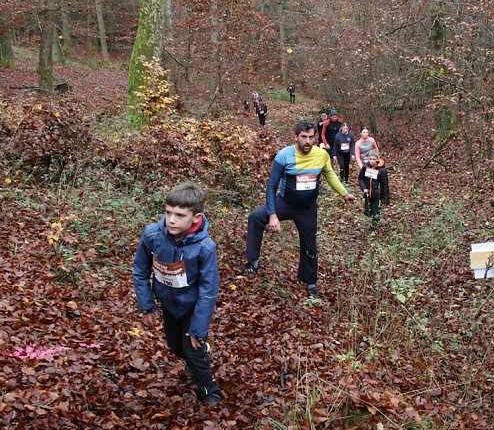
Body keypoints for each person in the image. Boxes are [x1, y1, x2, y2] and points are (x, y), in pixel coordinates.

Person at [236, 119, 357, 297]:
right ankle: (252, 262)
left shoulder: (321, 155)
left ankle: (309, 281)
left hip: (307, 208)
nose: (307, 141)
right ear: (296, 137)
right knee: (255, 216)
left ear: (316, 138)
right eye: (303, 137)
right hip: (285, 202)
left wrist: (344, 193)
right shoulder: (284, 155)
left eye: (311, 137)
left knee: (310, 245)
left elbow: (329, 173)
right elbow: (271, 186)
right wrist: (272, 215)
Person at [132, 182, 222, 406]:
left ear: (195, 217)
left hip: (192, 307)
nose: (171, 220)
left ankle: (209, 390)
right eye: (168, 212)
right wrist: (147, 305)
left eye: (180, 215)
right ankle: (198, 355)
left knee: (193, 351)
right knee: (175, 347)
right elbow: (140, 271)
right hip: (169, 305)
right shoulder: (153, 235)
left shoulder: (205, 247)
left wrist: (198, 328)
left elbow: (208, 291)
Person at [358, 150, 390, 229]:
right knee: (368, 211)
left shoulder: (382, 170)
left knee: (376, 212)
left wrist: (386, 198)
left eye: (374, 159)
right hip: (367, 194)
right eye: (370, 159)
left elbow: (385, 184)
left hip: (377, 195)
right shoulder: (365, 167)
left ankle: (374, 228)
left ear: (377, 159)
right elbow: (360, 179)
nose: (372, 161)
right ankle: (369, 224)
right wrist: (364, 188)